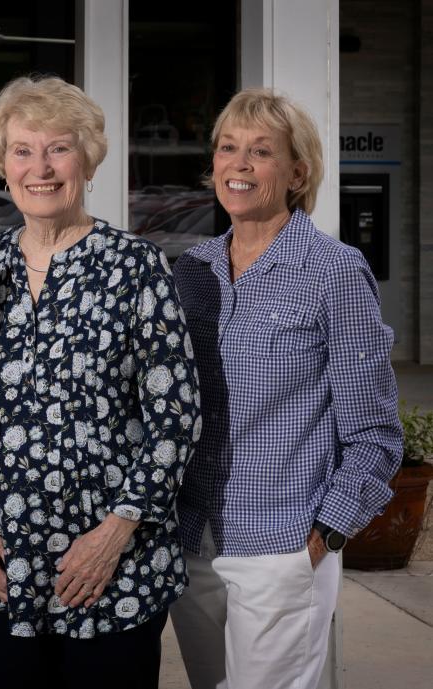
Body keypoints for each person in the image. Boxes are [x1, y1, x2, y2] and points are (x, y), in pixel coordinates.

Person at [0, 75, 200, 688]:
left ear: (88, 158)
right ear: (2, 166)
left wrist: (115, 534)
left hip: (114, 566)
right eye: (22, 150)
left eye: (59, 148)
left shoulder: (137, 265)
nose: (40, 167)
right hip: (7, 561)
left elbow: (176, 417)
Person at [168, 88, 402, 689]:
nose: (239, 164)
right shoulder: (190, 272)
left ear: (297, 173)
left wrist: (324, 536)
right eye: (228, 148)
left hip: (281, 543)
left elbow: (374, 432)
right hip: (193, 540)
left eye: (261, 152)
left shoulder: (335, 272)